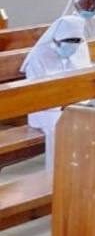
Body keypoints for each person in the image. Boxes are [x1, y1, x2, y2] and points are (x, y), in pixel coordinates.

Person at [20, 15, 90, 170]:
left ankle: (84, 171)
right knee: (62, 126)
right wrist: (62, 104)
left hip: (73, 104)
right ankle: (57, 175)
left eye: (76, 41)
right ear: (56, 39)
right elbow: (37, 93)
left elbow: (84, 80)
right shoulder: (39, 56)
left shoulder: (78, 52)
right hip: (45, 109)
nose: (72, 46)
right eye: (68, 41)